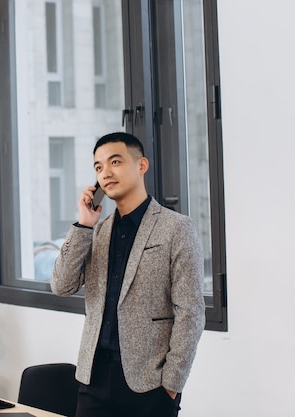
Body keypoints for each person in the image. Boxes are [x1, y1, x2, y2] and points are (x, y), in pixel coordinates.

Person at [51, 132, 205, 417]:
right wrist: (83, 225)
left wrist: (171, 384)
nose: (105, 172)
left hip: (150, 384)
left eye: (115, 161)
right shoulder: (95, 230)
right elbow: (61, 285)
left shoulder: (176, 228)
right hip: (93, 378)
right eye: (98, 167)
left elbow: (191, 312)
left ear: (141, 165)